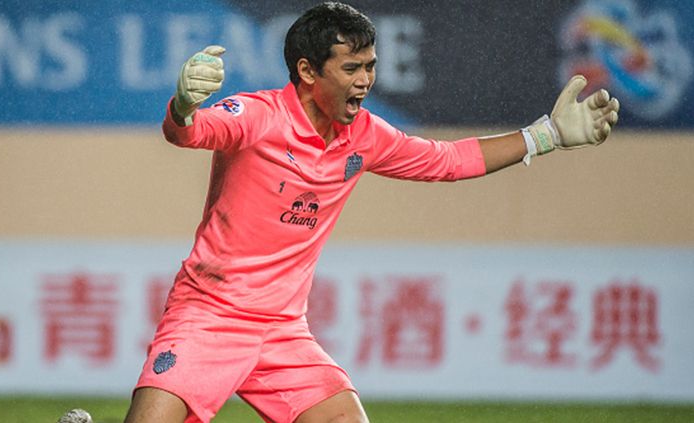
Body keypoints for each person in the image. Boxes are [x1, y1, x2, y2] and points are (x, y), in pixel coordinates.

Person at [124, 2, 619, 422]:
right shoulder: (258, 117)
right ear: (306, 71)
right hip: (210, 314)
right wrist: (184, 104)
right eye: (351, 68)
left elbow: (446, 161)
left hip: (281, 329)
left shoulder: (365, 135)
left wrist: (546, 136)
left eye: (370, 66)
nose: (365, 82)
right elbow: (190, 133)